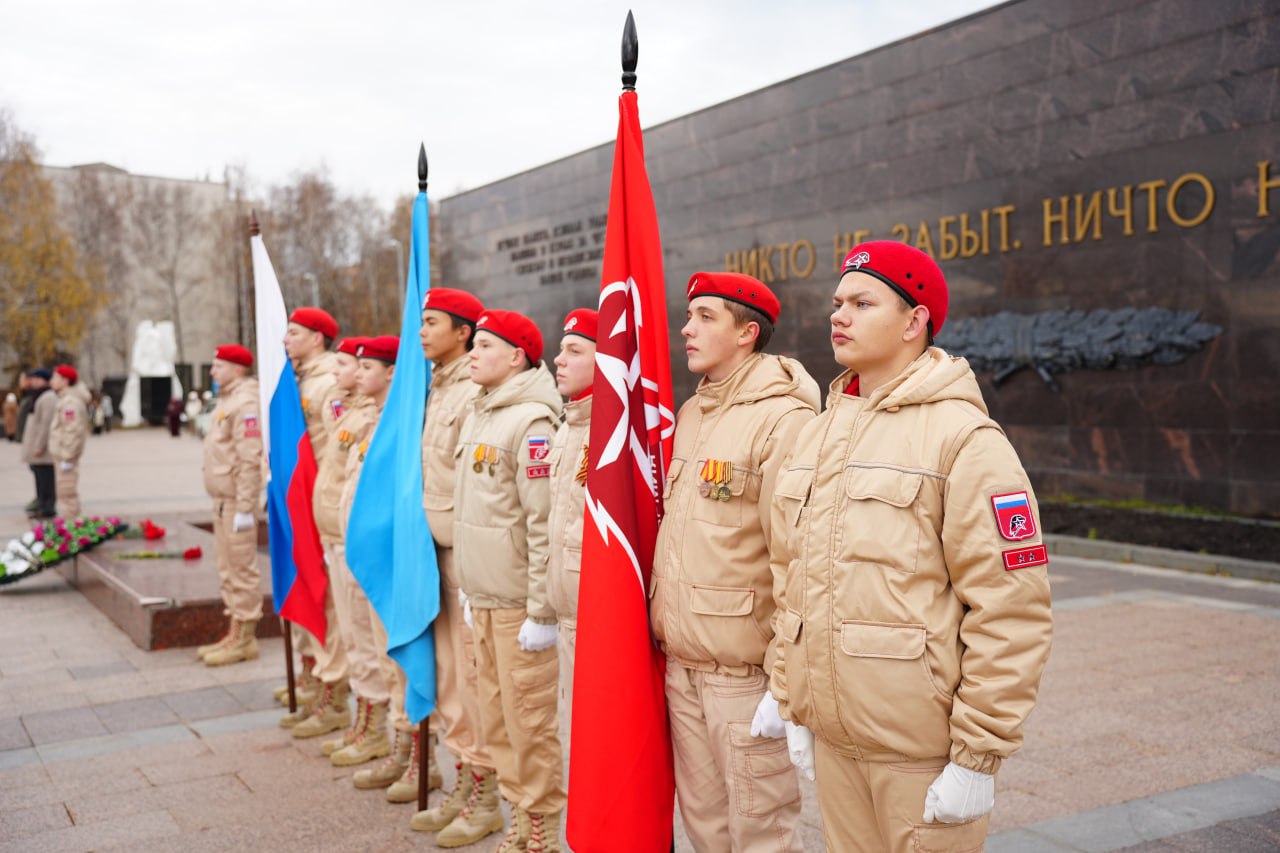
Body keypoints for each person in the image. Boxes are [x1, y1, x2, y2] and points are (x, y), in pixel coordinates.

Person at [770, 242, 1054, 852]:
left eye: (862, 302)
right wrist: (790, 695)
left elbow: (1012, 610)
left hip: (920, 756)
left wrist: (978, 756)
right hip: (836, 741)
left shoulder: (964, 438)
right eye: (837, 302)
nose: (838, 316)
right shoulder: (819, 433)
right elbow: (789, 574)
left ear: (914, 320)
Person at [650, 272, 819, 852]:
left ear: (748, 333)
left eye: (704, 317)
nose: (686, 329)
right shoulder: (693, 413)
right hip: (683, 663)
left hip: (742, 678)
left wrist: (783, 679)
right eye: (688, 315)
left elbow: (796, 555)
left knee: (760, 831)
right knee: (705, 826)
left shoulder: (784, 419)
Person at [449, 310, 563, 851]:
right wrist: (471, 591)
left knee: (529, 721)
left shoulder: (531, 422)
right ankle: (518, 811)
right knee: (495, 719)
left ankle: (542, 820)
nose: (473, 351)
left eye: (486, 345)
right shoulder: (480, 414)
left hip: (520, 605)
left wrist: (541, 611)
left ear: (517, 355)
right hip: (485, 597)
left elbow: (541, 523)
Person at [407, 288, 497, 831]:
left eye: (431, 321)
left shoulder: (469, 392)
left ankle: (484, 795)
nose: (420, 331)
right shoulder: (437, 388)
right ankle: (464, 777)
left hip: (464, 557)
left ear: (462, 332)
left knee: (471, 680)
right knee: (447, 678)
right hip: (432, 552)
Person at [328, 336, 399, 773]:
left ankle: (390, 736)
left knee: (383, 650)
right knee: (358, 639)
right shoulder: (364, 413)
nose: (354, 371)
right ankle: (370, 724)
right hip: (349, 538)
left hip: (379, 550)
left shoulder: (392, 415)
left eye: (364, 365)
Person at [290, 336, 364, 745]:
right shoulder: (330, 392)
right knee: (348, 626)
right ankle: (326, 687)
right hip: (327, 513)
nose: (339, 372)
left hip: (344, 522)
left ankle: (337, 695)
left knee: (355, 630)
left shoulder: (332, 394)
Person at [277, 307, 343, 717]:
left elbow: (335, 450)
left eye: (295, 333)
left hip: (318, 502)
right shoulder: (299, 379)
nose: (286, 341)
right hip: (300, 501)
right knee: (305, 586)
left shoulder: (328, 383)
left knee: (327, 598)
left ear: (317, 337)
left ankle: (333, 690)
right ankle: (314, 674)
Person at [544, 309, 596, 741]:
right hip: (567, 614)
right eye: (561, 349)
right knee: (580, 738)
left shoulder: (617, 435)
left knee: (602, 740)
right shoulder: (567, 429)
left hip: (600, 620)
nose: (558, 359)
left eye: (574, 350)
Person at [196, 345, 265, 667]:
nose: (212, 372)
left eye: (218, 366)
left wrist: (245, 507)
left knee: (242, 569)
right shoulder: (227, 398)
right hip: (222, 500)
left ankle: (246, 636)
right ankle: (235, 630)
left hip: (237, 500)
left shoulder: (245, 400)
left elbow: (250, 459)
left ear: (238, 369)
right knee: (227, 568)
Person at [49, 366, 90, 518]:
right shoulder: (65, 399)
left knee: (67, 493)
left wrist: (67, 456)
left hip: (66, 456)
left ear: (65, 381)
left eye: (55, 378)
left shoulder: (70, 402)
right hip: (62, 454)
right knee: (64, 492)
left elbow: (73, 431)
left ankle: (70, 528)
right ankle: (71, 525)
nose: (51, 381)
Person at [20, 368, 57, 519]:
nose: (33, 381)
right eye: (33, 378)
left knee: (46, 480)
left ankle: (47, 508)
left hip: (43, 449)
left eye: (37, 378)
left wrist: (39, 446)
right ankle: (42, 505)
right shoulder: (38, 395)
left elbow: (46, 424)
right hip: (36, 447)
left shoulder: (48, 397)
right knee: (39, 479)